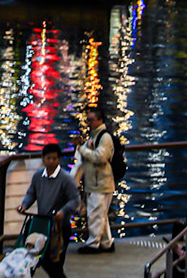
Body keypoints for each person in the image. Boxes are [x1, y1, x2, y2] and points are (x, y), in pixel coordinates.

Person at [17, 143, 81, 278]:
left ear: (59, 159)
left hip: (59, 227)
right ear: (43, 158)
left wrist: (63, 212)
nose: (51, 162)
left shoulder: (66, 179)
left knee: (54, 263)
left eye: (54, 159)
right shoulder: (38, 176)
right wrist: (24, 205)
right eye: (48, 158)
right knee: (37, 259)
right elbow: (31, 193)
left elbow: (75, 200)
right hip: (42, 225)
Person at [76, 104, 118, 254]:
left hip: (99, 183)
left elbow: (100, 157)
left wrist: (82, 149)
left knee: (95, 214)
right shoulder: (96, 136)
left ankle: (93, 243)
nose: (89, 123)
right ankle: (106, 242)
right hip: (98, 183)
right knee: (101, 214)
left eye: (91, 120)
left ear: (100, 120)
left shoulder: (104, 137)